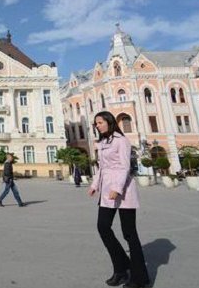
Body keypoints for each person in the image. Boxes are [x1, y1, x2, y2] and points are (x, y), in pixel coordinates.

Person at [88, 111, 150, 288]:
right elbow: (101, 168)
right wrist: (94, 185)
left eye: (99, 122)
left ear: (109, 122)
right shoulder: (102, 142)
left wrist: (117, 188)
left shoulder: (121, 141)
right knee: (103, 227)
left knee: (129, 233)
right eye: (96, 124)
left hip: (123, 190)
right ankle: (121, 267)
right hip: (107, 190)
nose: (97, 126)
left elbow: (124, 166)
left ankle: (140, 279)